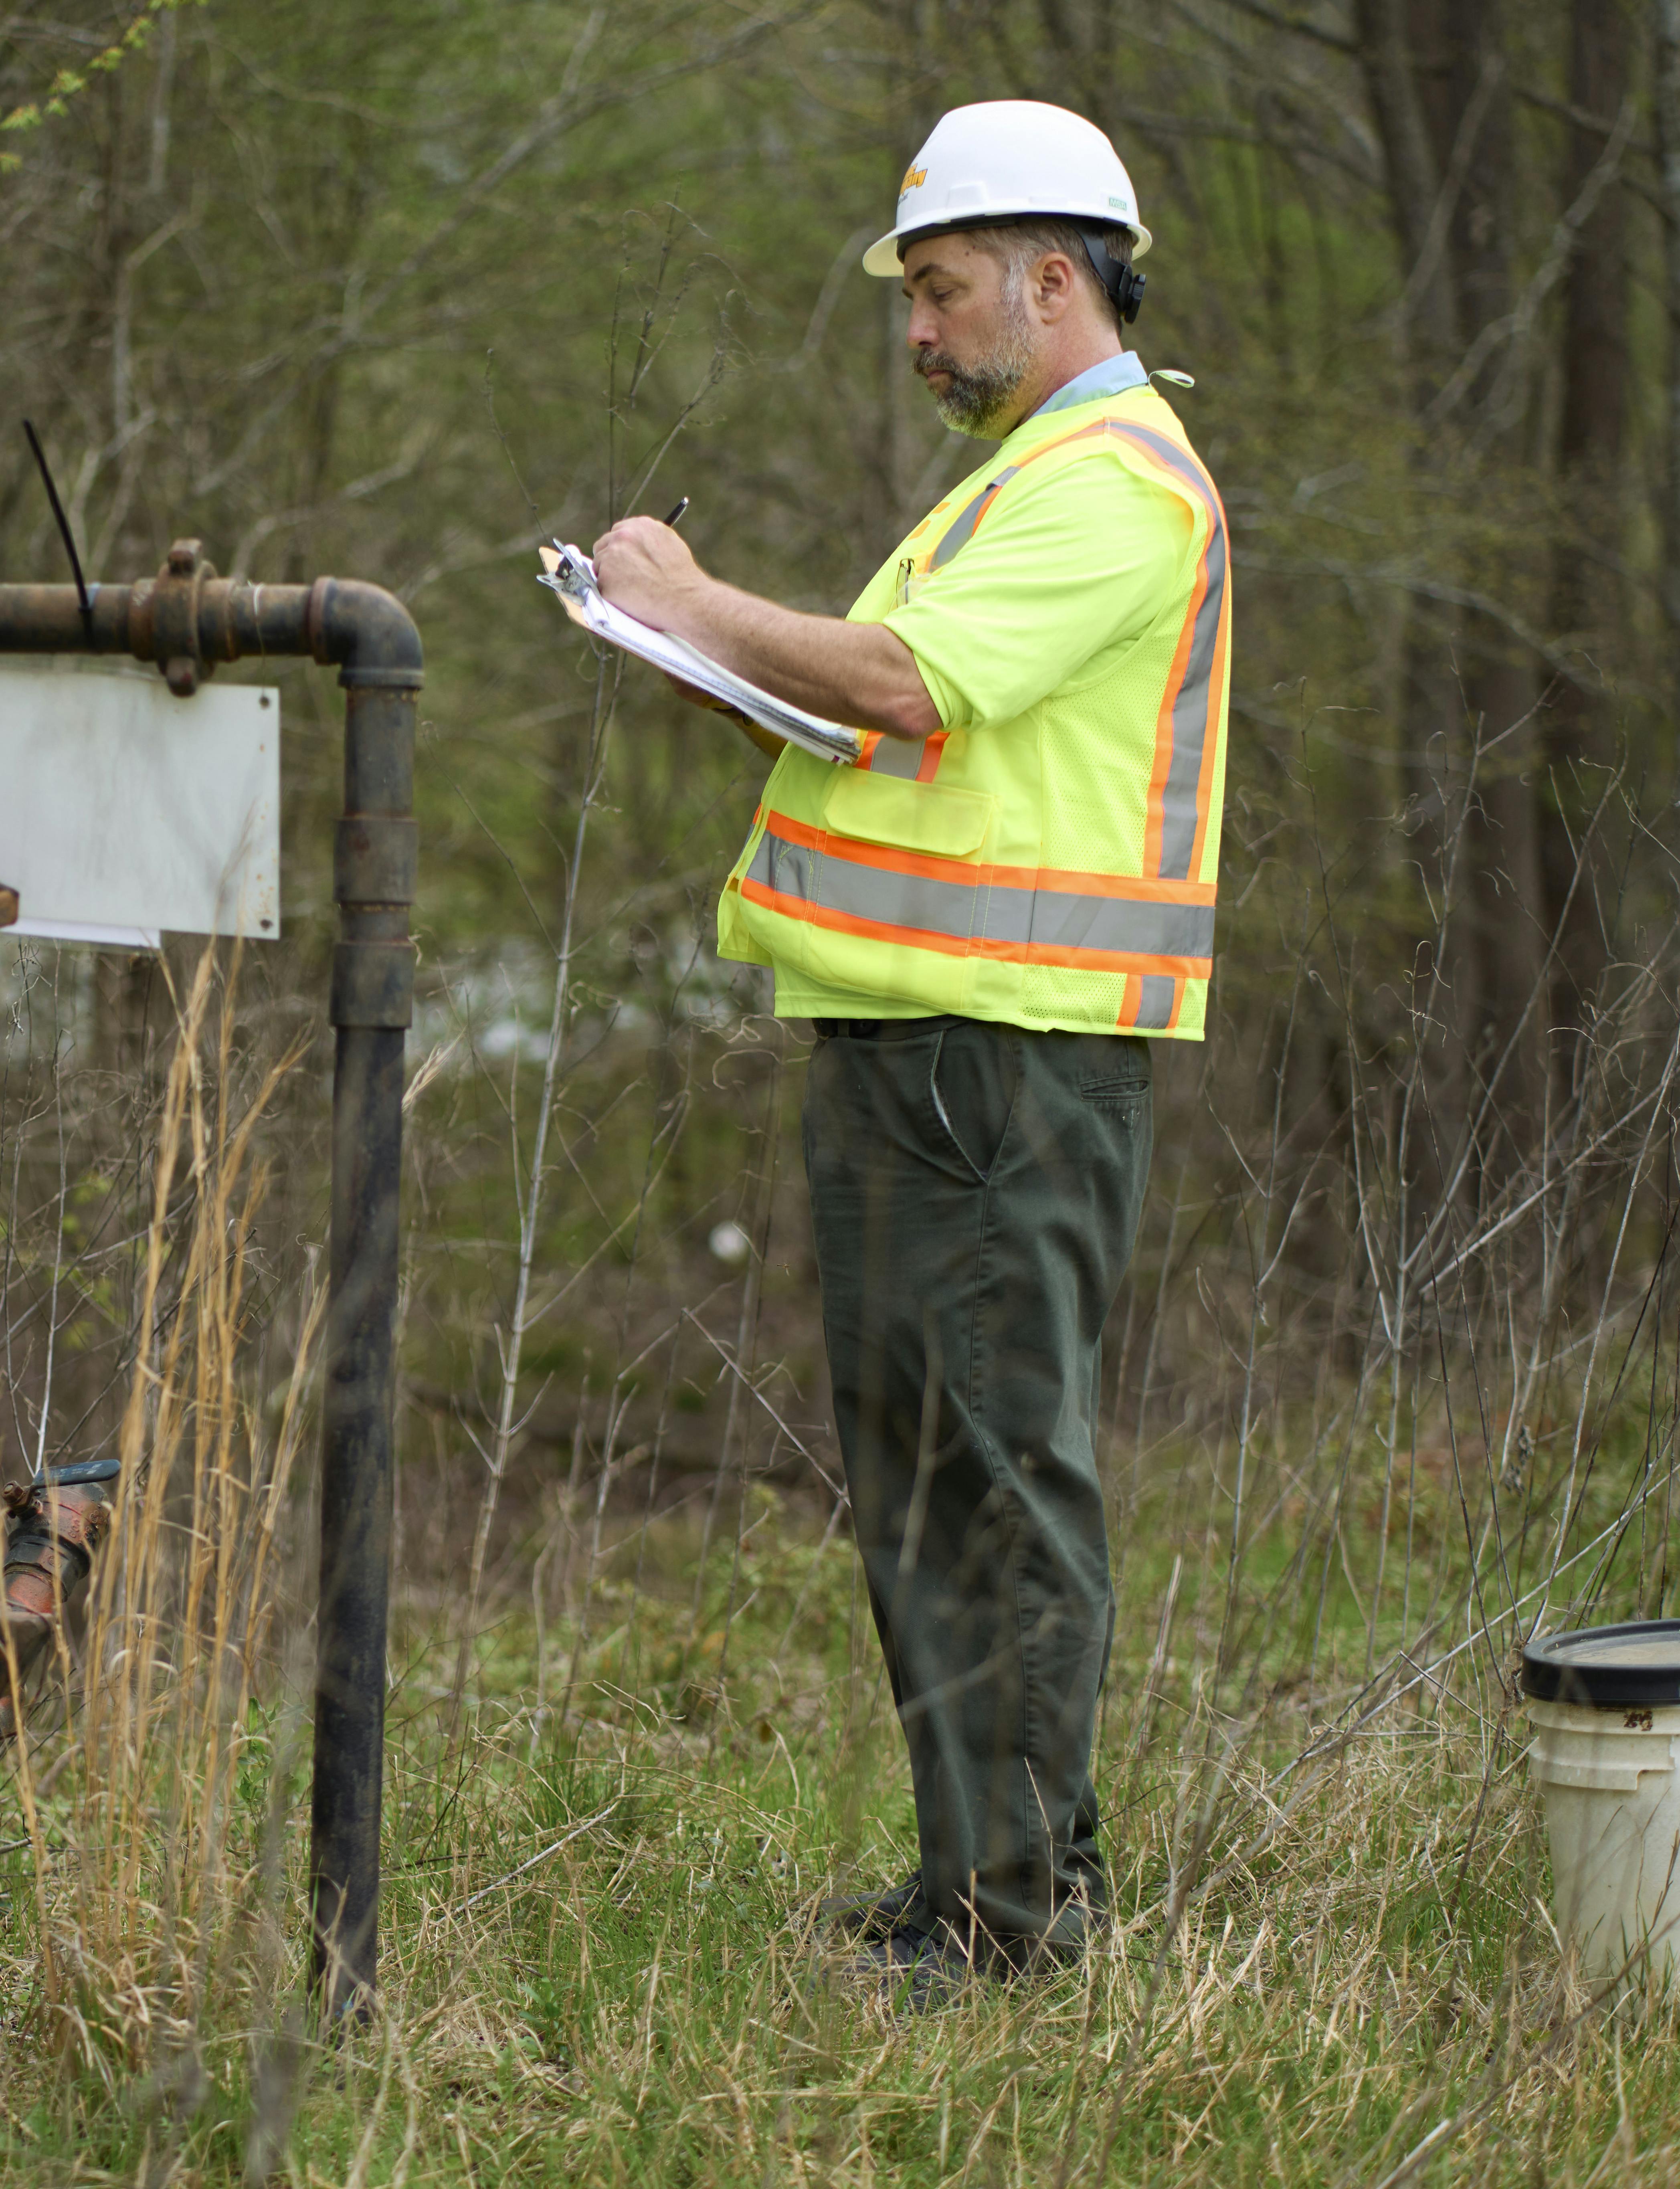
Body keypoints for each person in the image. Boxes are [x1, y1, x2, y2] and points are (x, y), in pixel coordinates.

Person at [590, 99, 1230, 1998]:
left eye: (940, 290)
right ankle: (982, 1876)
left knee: (996, 1473)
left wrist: (697, 603)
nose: (918, 330)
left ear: (1052, 280)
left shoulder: (1112, 482)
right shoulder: (1016, 480)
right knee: (925, 1477)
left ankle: (1018, 1923)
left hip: (1002, 1059)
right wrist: (702, 654)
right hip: (921, 1044)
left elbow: (901, 679)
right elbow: (887, 734)